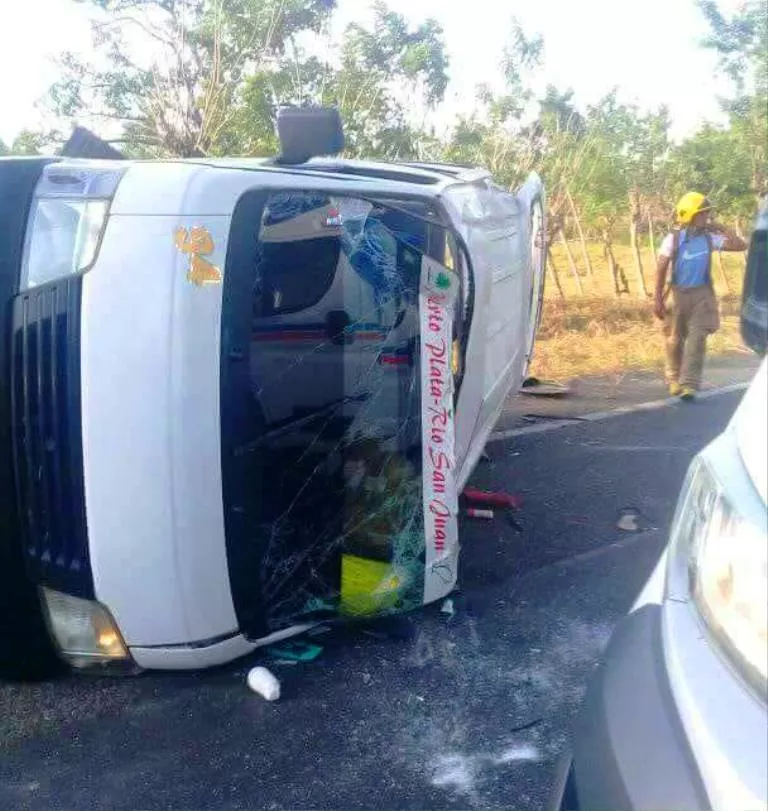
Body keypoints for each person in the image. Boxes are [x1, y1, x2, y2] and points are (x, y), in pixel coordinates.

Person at [654, 192, 747, 401]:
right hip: (677, 294)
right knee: (675, 339)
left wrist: (721, 227)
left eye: (708, 214)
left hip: (702, 295)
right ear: (689, 216)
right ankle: (674, 378)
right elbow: (660, 269)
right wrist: (657, 299)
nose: (707, 218)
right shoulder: (673, 240)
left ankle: (690, 384)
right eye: (703, 214)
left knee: (697, 338)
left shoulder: (709, 239)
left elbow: (741, 245)